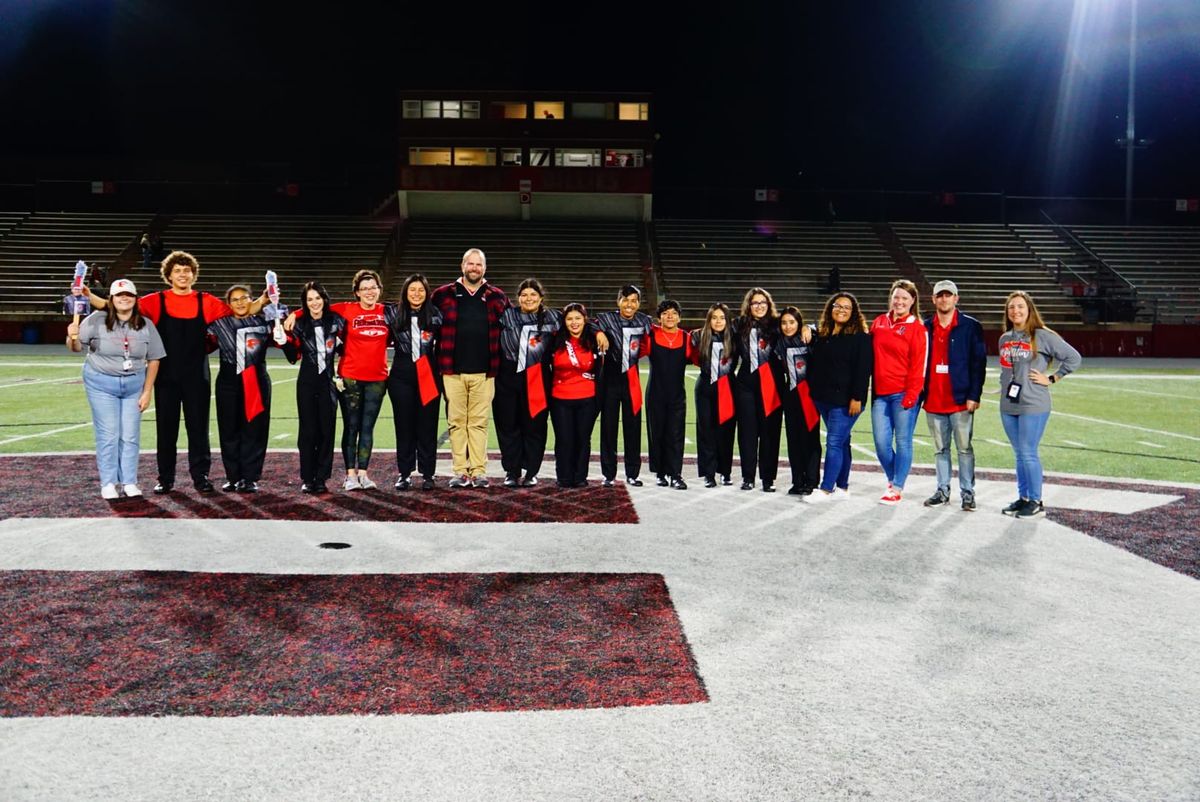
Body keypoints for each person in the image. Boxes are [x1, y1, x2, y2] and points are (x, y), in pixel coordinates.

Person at [84, 250, 265, 494]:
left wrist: (264, 300)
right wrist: (88, 296)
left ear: (193, 275)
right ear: (168, 275)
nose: (182, 274)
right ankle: (165, 478)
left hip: (197, 377)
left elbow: (241, 310)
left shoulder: (206, 301)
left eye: (186, 270)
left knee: (198, 429)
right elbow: (117, 305)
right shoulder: (156, 301)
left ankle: (201, 477)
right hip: (166, 376)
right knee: (166, 429)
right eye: (177, 271)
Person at [66, 279, 164, 499]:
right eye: (119, 295)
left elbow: (155, 359)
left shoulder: (146, 324)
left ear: (135, 299)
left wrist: (147, 391)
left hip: (133, 385)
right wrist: (71, 335)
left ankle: (129, 481)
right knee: (109, 434)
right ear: (111, 299)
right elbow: (75, 348)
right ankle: (109, 482)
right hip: (102, 382)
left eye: (128, 295)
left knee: (130, 435)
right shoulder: (96, 320)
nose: (124, 298)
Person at [998, 291, 1082, 519]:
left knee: (1028, 452)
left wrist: (1053, 378)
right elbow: (1008, 369)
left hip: (1034, 403)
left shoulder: (1043, 336)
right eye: (1011, 307)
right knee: (1019, 453)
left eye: (1020, 307)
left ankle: (1036, 501)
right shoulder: (1005, 338)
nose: (1015, 311)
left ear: (1029, 310)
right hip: (1008, 404)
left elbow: (1074, 358)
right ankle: (1024, 497)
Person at [431, 248, 510, 489]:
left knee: (478, 423)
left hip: (485, 372)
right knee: (456, 422)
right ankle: (459, 471)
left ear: (484, 268)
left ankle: (478, 471)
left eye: (479, 264)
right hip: (451, 371)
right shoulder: (442, 294)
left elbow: (513, 327)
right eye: (470, 264)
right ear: (462, 265)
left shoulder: (497, 296)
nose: (474, 268)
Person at [208, 284, 283, 493]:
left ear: (252, 300)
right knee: (229, 428)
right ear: (228, 304)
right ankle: (233, 477)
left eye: (244, 298)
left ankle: (250, 477)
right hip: (228, 380)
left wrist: (272, 302)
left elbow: (282, 330)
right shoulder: (218, 323)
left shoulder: (264, 320)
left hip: (256, 379)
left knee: (255, 429)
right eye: (235, 299)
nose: (240, 302)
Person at [921, 280, 987, 511]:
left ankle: (968, 493)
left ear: (956, 299)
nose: (944, 299)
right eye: (940, 295)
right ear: (934, 299)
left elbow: (978, 363)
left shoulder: (970, 326)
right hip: (933, 401)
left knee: (964, 450)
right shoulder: (925, 326)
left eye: (949, 295)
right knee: (940, 450)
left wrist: (974, 394)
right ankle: (942, 491)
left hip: (960, 400)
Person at [326, 269, 392, 491]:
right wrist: (293, 316)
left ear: (379, 289)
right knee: (351, 426)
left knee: (367, 427)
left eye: (373, 287)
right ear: (356, 292)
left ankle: (363, 474)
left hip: (377, 378)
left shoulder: (387, 311)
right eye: (364, 288)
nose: (369, 292)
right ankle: (350, 475)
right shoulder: (346, 309)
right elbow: (315, 307)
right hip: (351, 377)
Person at [803, 292, 873, 503]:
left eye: (846, 307)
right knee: (843, 442)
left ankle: (826, 489)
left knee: (833, 442)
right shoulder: (823, 334)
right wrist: (807, 327)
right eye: (837, 306)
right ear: (830, 308)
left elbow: (863, 370)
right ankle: (842, 487)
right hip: (822, 398)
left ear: (853, 313)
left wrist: (857, 398)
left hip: (846, 401)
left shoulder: (860, 337)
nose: (841, 310)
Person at [495, 278, 560, 488]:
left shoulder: (553, 317)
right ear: (518, 298)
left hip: (537, 376)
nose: (528, 298)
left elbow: (578, 323)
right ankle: (512, 470)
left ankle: (532, 470)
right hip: (508, 375)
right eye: (524, 295)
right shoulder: (507, 315)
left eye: (533, 295)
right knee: (508, 424)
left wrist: (598, 332)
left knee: (535, 426)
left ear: (541, 298)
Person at [282, 281, 345, 494]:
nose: (314, 302)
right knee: (308, 431)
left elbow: (346, 347)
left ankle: (322, 477)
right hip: (307, 381)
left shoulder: (335, 321)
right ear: (305, 303)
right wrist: (283, 342)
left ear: (324, 299)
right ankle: (307, 477)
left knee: (327, 430)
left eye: (318, 298)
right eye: (309, 299)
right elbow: (293, 357)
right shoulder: (299, 325)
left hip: (328, 380)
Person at [870, 279, 929, 504]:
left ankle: (896, 487)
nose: (900, 301)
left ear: (913, 301)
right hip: (880, 395)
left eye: (905, 298)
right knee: (881, 443)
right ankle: (894, 478)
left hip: (904, 394)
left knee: (903, 441)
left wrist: (912, 395)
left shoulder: (917, 328)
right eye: (896, 297)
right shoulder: (879, 322)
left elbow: (919, 365)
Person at [388, 273, 443, 491]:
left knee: (427, 426)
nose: (416, 294)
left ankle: (428, 473)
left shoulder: (436, 315)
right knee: (404, 426)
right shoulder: (392, 312)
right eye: (412, 290)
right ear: (405, 292)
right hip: (401, 375)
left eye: (421, 290)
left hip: (428, 374)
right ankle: (404, 473)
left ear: (427, 293)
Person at [594, 285, 653, 488]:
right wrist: (599, 333)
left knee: (633, 427)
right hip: (610, 379)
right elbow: (589, 325)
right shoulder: (605, 318)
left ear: (638, 303)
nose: (630, 304)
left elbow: (650, 341)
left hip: (631, 379)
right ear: (618, 301)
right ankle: (609, 474)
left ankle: (632, 473)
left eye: (634, 300)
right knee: (608, 427)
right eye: (626, 300)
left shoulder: (644, 321)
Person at [546, 303, 603, 488]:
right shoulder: (555, 339)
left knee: (582, 439)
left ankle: (580, 477)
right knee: (563, 439)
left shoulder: (595, 340)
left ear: (585, 320)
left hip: (588, 398)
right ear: (564, 321)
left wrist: (597, 331)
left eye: (578, 318)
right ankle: (563, 476)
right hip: (560, 398)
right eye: (569, 319)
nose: (574, 322)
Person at [733, 287, 782, 492]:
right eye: (755, 303)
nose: (759, 306)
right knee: (747, 432)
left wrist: (809, 329)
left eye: (763, 302)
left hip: (772, 383)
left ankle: (768, 479)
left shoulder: (778, 324)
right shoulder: (739, 324)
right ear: (749, 306)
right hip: (746, 383)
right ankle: (748, 477)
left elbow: (799, 326)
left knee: (770, 432)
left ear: (769, 305)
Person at [773, 306, 821, 495]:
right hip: (791, 394)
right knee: (793, 439)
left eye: (792, 322)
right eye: (784, 322)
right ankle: (797, 481)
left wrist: (810, 328)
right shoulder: (779, 343)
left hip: (809, 394)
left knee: (810, 438)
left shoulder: (808, 337)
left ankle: (811, 480)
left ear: (799, 323)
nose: (787, 326)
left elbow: (820, 330)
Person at [645, 299, 690, 489]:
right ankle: (660, 473)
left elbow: (698, 358)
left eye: (673, 313)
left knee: (676, 433)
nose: (669, 316)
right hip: (655, 393)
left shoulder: (687, 338)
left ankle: (675, 474)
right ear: (659, 317)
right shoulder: (651, 336)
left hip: (677, 395)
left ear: (679, 317)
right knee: (657, 433)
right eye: (665, 313)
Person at [690, 303, 737, 488]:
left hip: (728, 387)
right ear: (709, 319)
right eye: (714, 317)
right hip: (705, 388)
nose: (718, 321)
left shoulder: (735, 338)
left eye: (722, 318)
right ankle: (709, 474)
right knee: (706, 432)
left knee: (726, 431)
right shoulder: (697, 336)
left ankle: (725, 472)